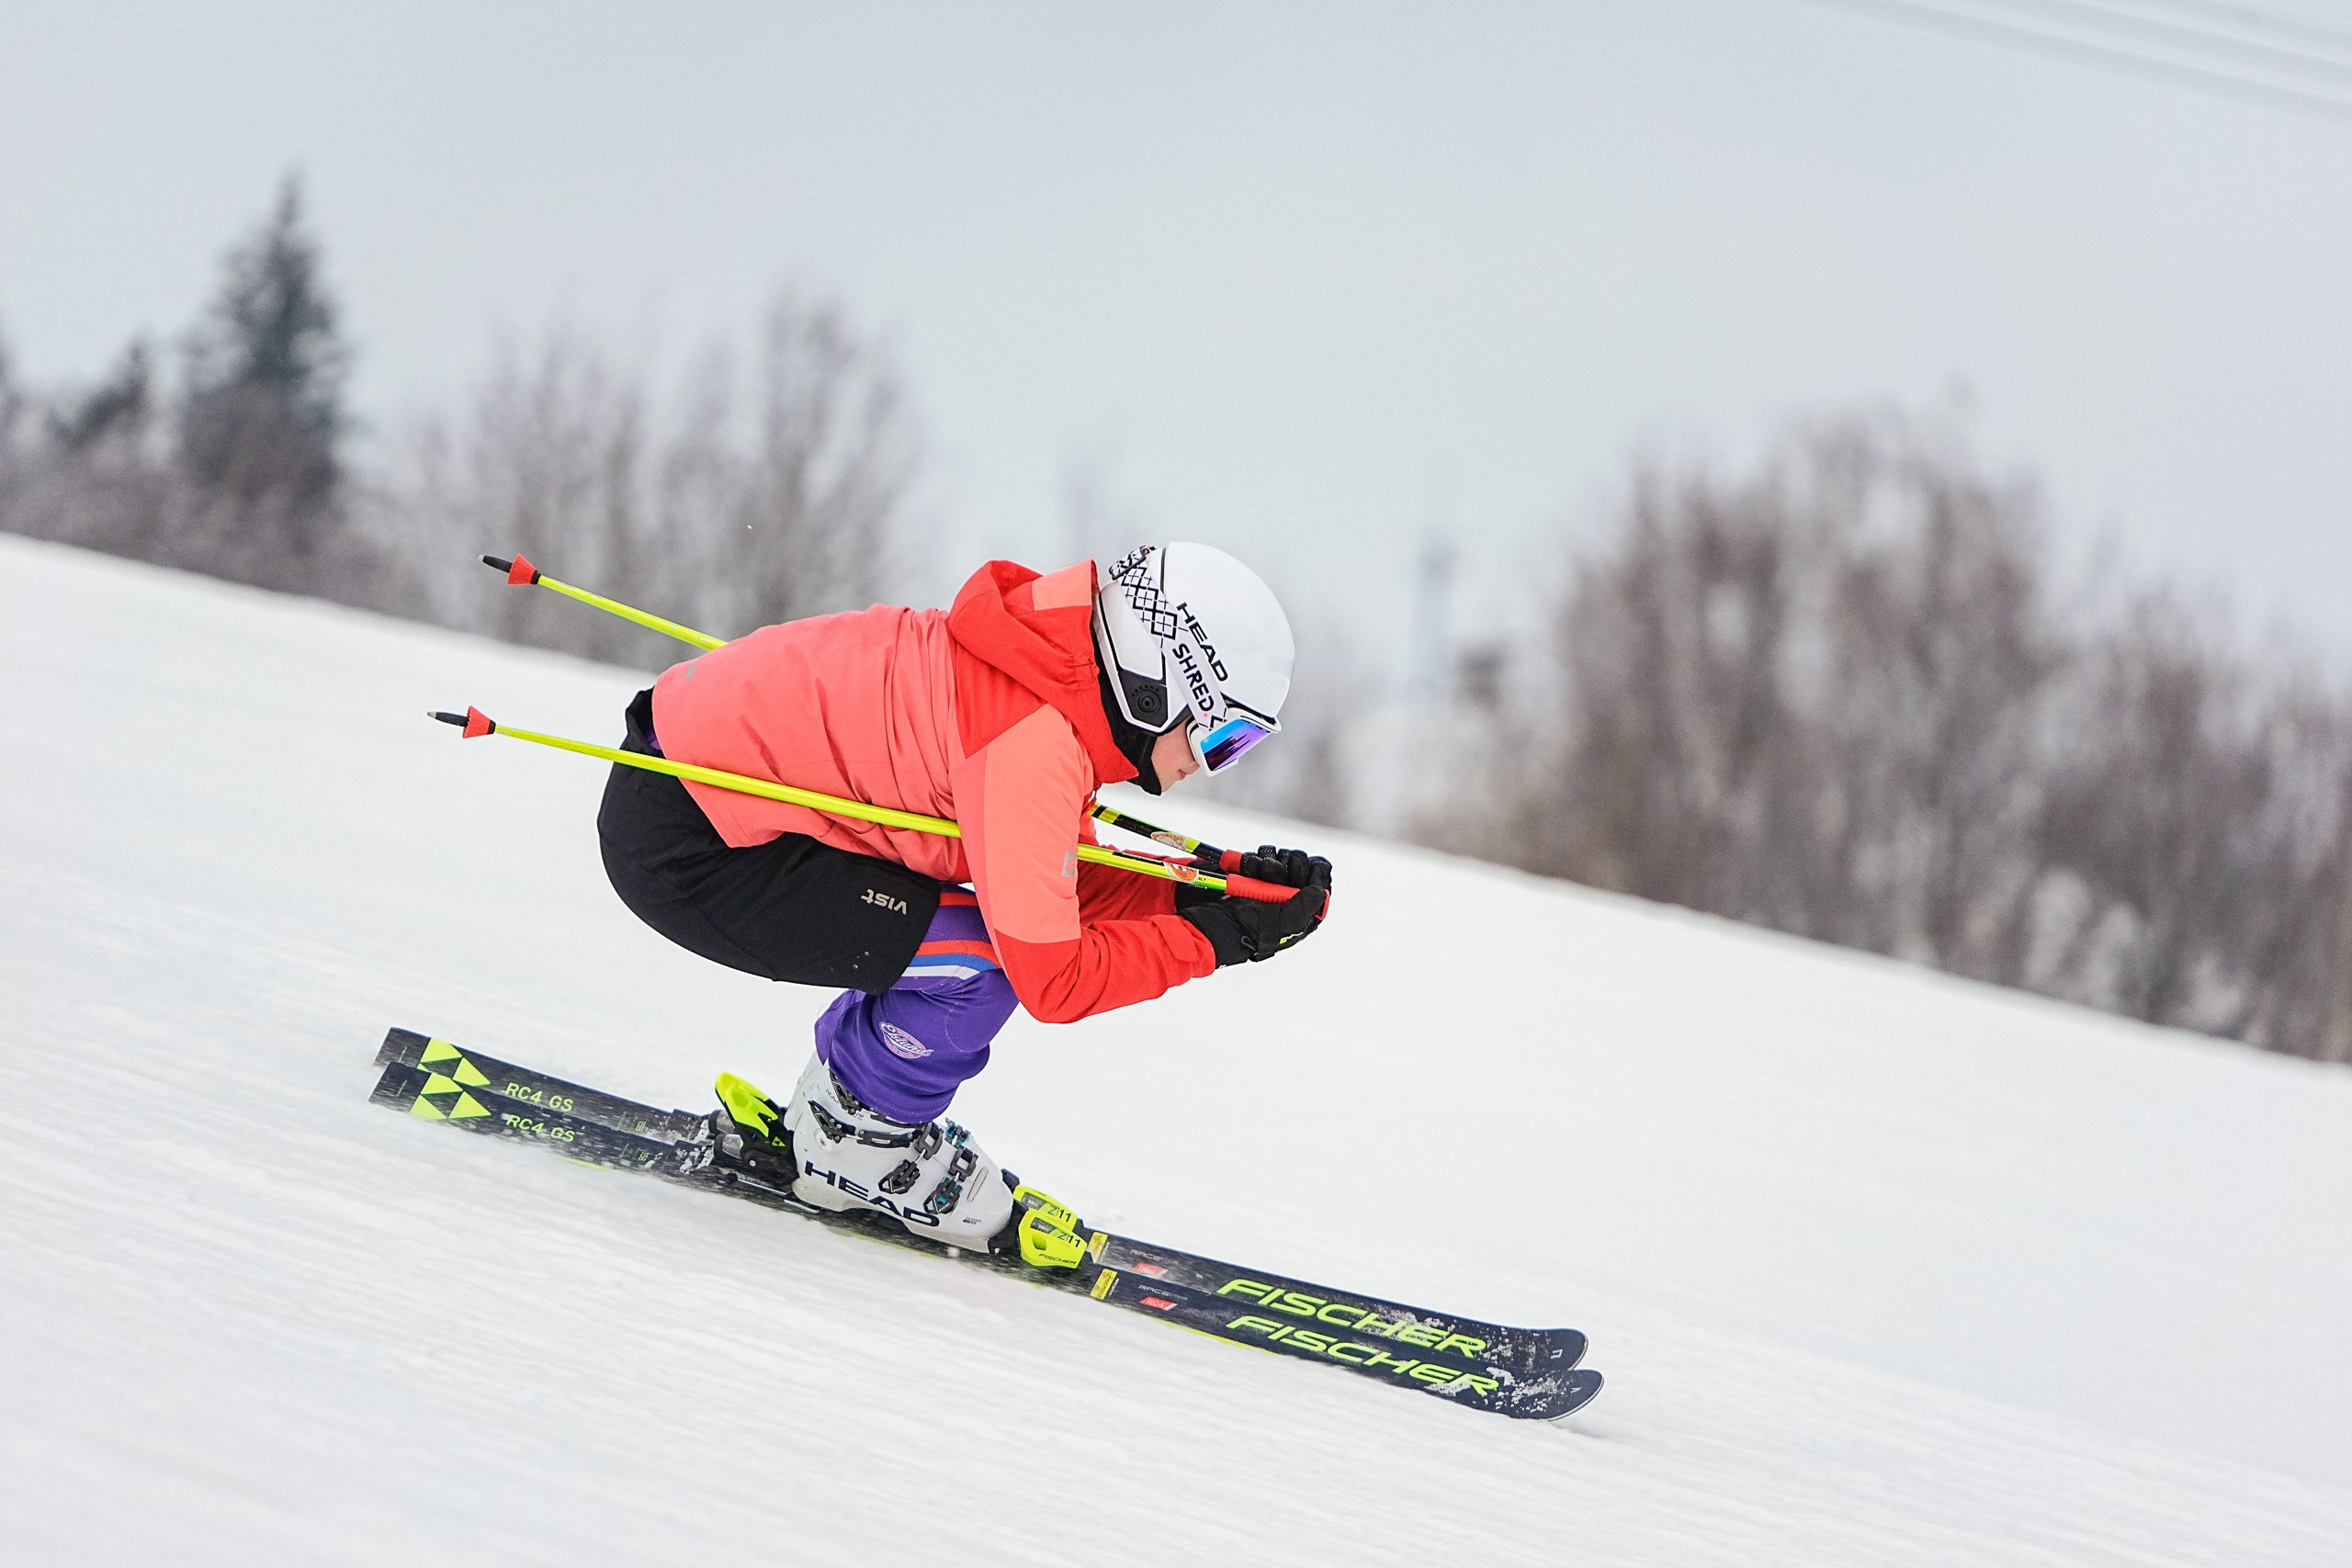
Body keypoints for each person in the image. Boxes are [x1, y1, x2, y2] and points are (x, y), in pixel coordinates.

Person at [595, 543, 1333, 1252]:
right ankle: (856, 1148)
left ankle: (844, 1113)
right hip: (694, 844)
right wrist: (1221, 937)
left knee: (980, 938)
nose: (1211, 764)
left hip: (690, 796)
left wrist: (1226, 887)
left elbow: (1055, 874)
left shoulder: (1040, 677)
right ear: (1163, 686)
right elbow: (1055, 975)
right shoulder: (1031, 741)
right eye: (1225, 736)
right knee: (983, 963)